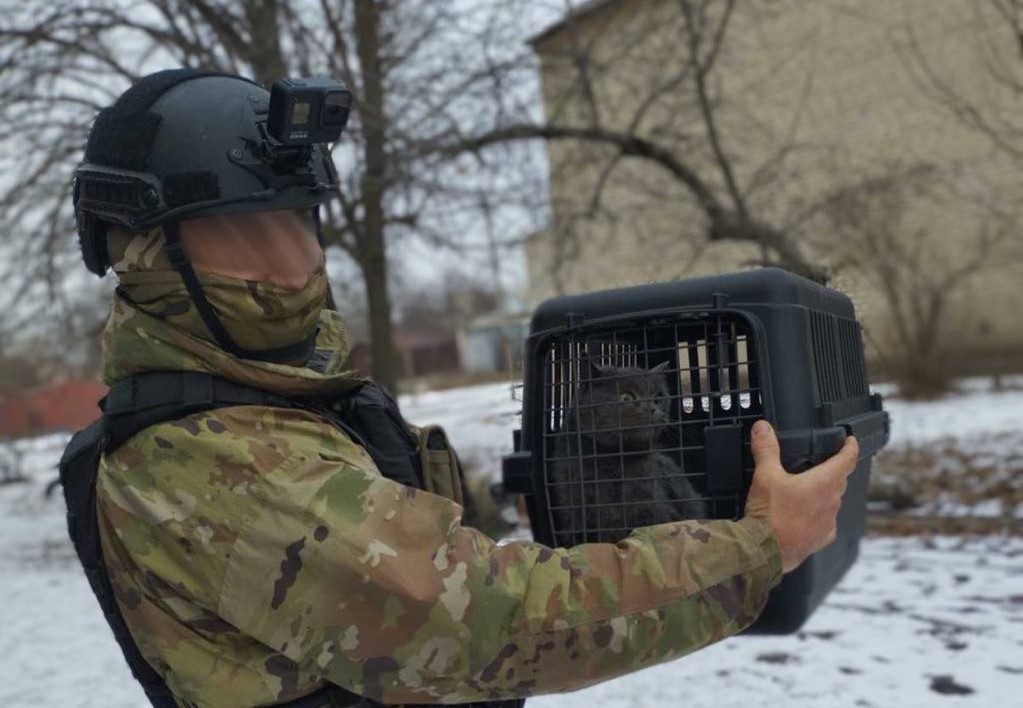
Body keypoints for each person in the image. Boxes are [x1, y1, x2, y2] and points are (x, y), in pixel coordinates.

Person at [65, 69, 859, 708]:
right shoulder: (205, 459)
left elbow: (417, 555)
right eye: (242, 238)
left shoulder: (282, 401)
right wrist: (761, 547)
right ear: (144, 256)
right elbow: (483, 622)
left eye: (298, 226)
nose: (293, 266)